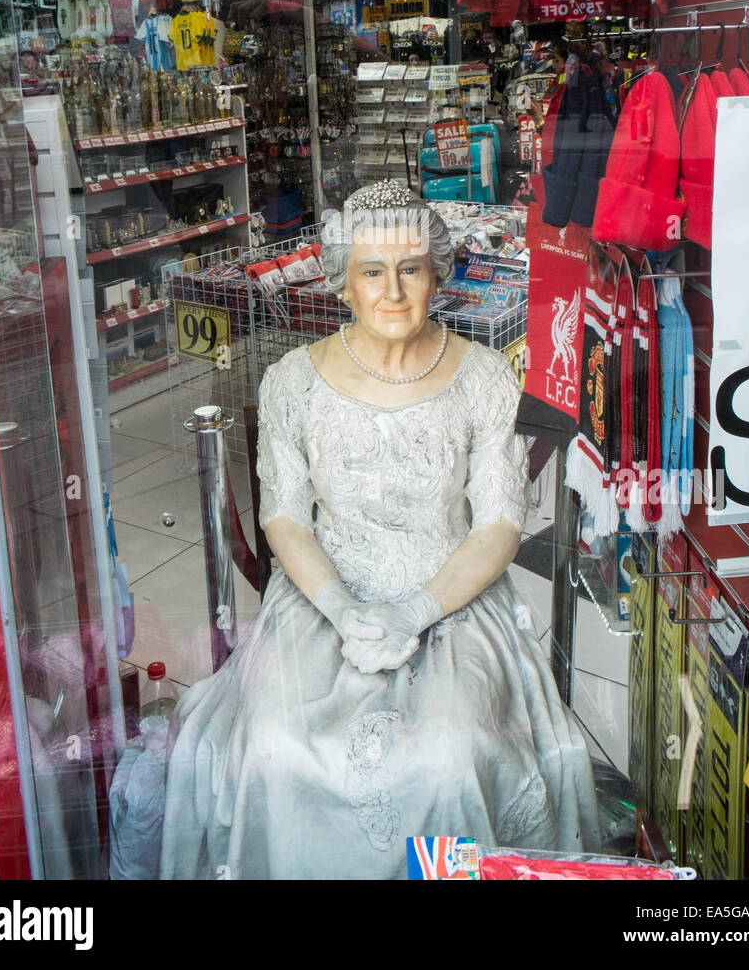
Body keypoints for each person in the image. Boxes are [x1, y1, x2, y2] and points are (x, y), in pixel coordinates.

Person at [160, 181, 600, 879]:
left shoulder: (485, 377)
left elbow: (497, 524)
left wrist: (415, 610)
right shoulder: (290, 383)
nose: (393, 291)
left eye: (411, 269)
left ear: (436, 274)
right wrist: (340, 607)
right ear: (341, 282)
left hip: (451, 596)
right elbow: (283, 515)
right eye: (372, 271)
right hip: (322, 593)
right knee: (276, 743)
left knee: (450, 753)